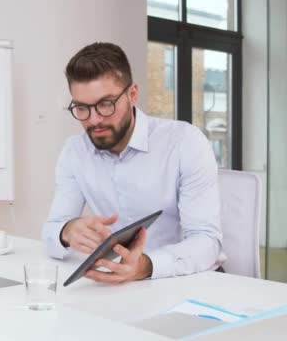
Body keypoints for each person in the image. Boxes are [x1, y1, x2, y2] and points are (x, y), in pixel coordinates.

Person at [42, 42, 224, 284]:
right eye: (82, 108)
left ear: (132, 94)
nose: (94, 120)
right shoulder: (75, 151)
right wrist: (67, 231)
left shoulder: (184, 142)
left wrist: (145, 265)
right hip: (119, 285)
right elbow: (50, 232)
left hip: (185, 281)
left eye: (106, 104)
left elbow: (207, 242)